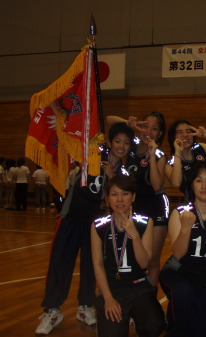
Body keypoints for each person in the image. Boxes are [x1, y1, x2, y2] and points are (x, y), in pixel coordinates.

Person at [35, 122, 135, 335]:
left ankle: (85, 306)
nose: (121, 146)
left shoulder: (123, 172)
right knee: (60, 263)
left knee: (92, 266)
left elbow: (119, 198)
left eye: (126, 143)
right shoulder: (92, 154)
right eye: (117, 141)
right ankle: (52, 310)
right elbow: (101, 122)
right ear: (109, 142)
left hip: (96, 224)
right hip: (71, 218)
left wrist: (111, 177)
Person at [159, 160, 206, 337]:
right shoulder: (180, 213)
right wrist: (185, 229)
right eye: (199, 180)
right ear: (192, 185)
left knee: (202, 330)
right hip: (178, 273)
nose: (204, 186)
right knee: (184, 295)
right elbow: (177, 253)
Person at [91, 174, 166, 337]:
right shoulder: (98, 225)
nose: (119, 200)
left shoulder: (145, 222)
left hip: (138, 287)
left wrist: (135, 236)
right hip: (112, 288)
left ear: (133, 197)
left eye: (125, 194)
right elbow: (97, 264)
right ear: (107, 198)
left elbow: (144, 263)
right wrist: (108, 299)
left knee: (154, 325)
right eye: (114, 194)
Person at [107, 112, 169, 286]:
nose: (149, 131)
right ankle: (133, 293)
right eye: (145, 126)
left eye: (154, 128)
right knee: (134, 253)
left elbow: (157, 185)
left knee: (152, 259)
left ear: (160, 133)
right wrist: (128, 122)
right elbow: (110, 120)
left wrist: (151, 154)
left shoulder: (160, 155)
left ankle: (149, 297)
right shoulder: (131, 144)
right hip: (134, 204)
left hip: (156, 206)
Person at [165, 119, 206, 201]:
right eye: (180, 132)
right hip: (193, 204)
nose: (185, 135)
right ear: (173, 137)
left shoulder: (199, 148)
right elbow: (176, 183)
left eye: (188, 131)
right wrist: (178, 152)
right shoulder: (170, 164)